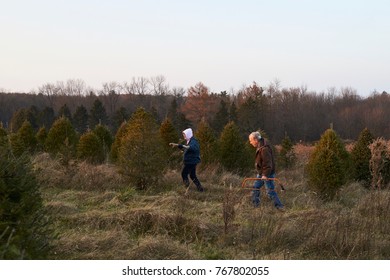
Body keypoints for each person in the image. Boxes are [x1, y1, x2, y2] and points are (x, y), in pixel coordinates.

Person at [248, 131, 284, 210]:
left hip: (267, 173)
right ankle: (255, 206)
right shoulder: (260, 145)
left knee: (270, 192)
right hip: (262, 172)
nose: (250, 143)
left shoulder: (264, 149)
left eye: (251, 140)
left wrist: (265, 175)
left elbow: (268, 164)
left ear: (255, 140)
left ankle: (280, 207)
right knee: (255, 187)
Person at [169, 128, 204, 192]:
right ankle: (200, 189)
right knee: (192, 175)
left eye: (185, 134)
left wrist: (178, 145)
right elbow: (186, 149)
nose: (184, 136)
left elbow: (190, 148)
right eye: (183, 135)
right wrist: (178, 146)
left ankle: (187, 188)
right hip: (191, 161)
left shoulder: (193, 141)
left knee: (184, 174)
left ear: (188, 134)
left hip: (191, 161)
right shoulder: (189, 141)